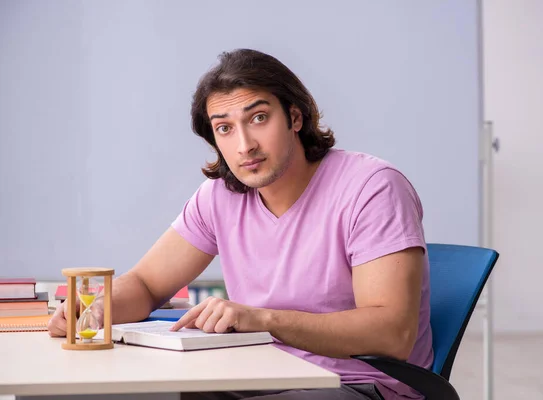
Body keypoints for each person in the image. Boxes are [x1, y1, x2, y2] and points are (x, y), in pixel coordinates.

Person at [48, 48, 433, 400]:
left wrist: (260, 319)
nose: (244, 145)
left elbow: (392, 334)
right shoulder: (220, 197)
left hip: (356, 384)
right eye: (225, 128)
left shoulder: (372, 188)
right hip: (256, 373)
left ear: (295, 117)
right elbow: (148, 284)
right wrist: (94, 310)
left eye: (259, 118)